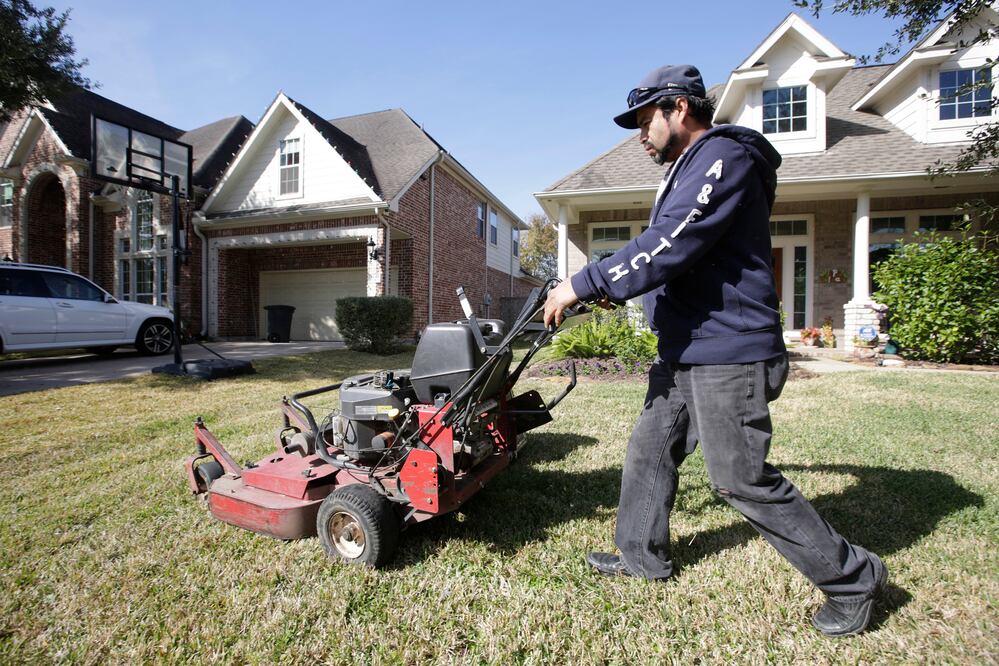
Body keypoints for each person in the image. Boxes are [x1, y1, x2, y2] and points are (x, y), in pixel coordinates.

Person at [542, 64, 887, 637]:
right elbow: (679, 256)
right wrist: (612, 293)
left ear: (679, 107)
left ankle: (853, 578)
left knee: (739, 478)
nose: (638, 133)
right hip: (686, 349)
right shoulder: (689, 169)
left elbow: (672, 241)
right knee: (649, 450)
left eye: (644, 119)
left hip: (728, 350)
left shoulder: (725, 158)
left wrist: (584, 282)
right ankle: (639, 556)